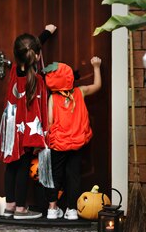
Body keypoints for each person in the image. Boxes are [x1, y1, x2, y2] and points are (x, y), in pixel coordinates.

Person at [0, 25, 57, 219]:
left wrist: (44, 34)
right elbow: (31, 50)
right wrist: (46, 33)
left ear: (17, 55)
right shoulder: (37, 78)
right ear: (36, 56)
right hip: (27, 129)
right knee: (23, 166)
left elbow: (28, 49)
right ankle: (21, 209)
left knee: (10, 165)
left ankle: (10, 206)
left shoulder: (14, 70)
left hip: (12, 127)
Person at [44, 56, 102, 220]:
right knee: (74, 175)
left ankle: (52, 209)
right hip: (77, 143)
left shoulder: (53, 98)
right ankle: (71, 210)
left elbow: (49, 121)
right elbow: (97, 86)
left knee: (55, 175)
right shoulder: (80, 92)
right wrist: (96, 67)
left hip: (58, 144)